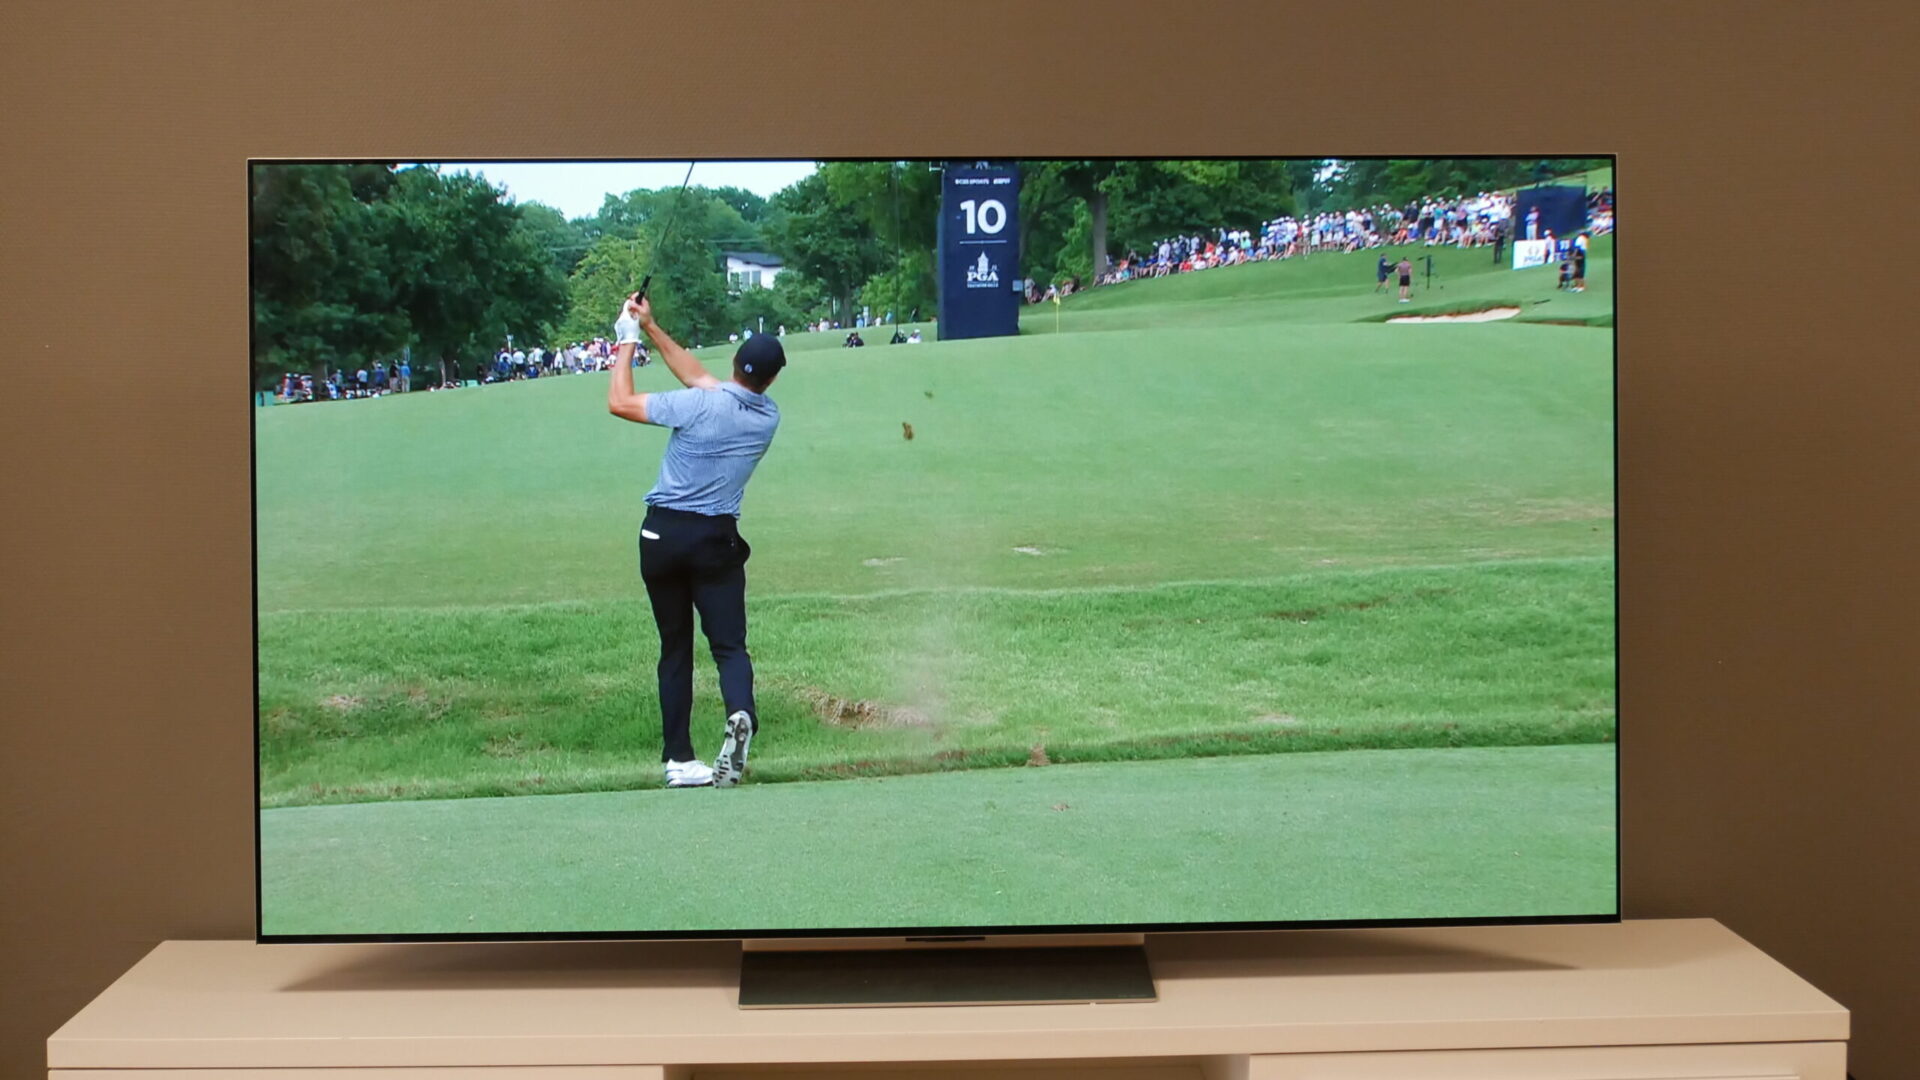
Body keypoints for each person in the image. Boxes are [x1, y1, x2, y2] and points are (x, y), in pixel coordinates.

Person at [608, 293, 785, 789]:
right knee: (729, 646)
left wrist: (627, 339)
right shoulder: (766, 417)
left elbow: (620, 402)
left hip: (661, 535)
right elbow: (699, 378)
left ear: (733, 364)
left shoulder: (698, 404)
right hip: (714, 541)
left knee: (675, 649)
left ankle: (680, 761)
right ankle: (740, 712)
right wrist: (651, 326)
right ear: (770, 380)